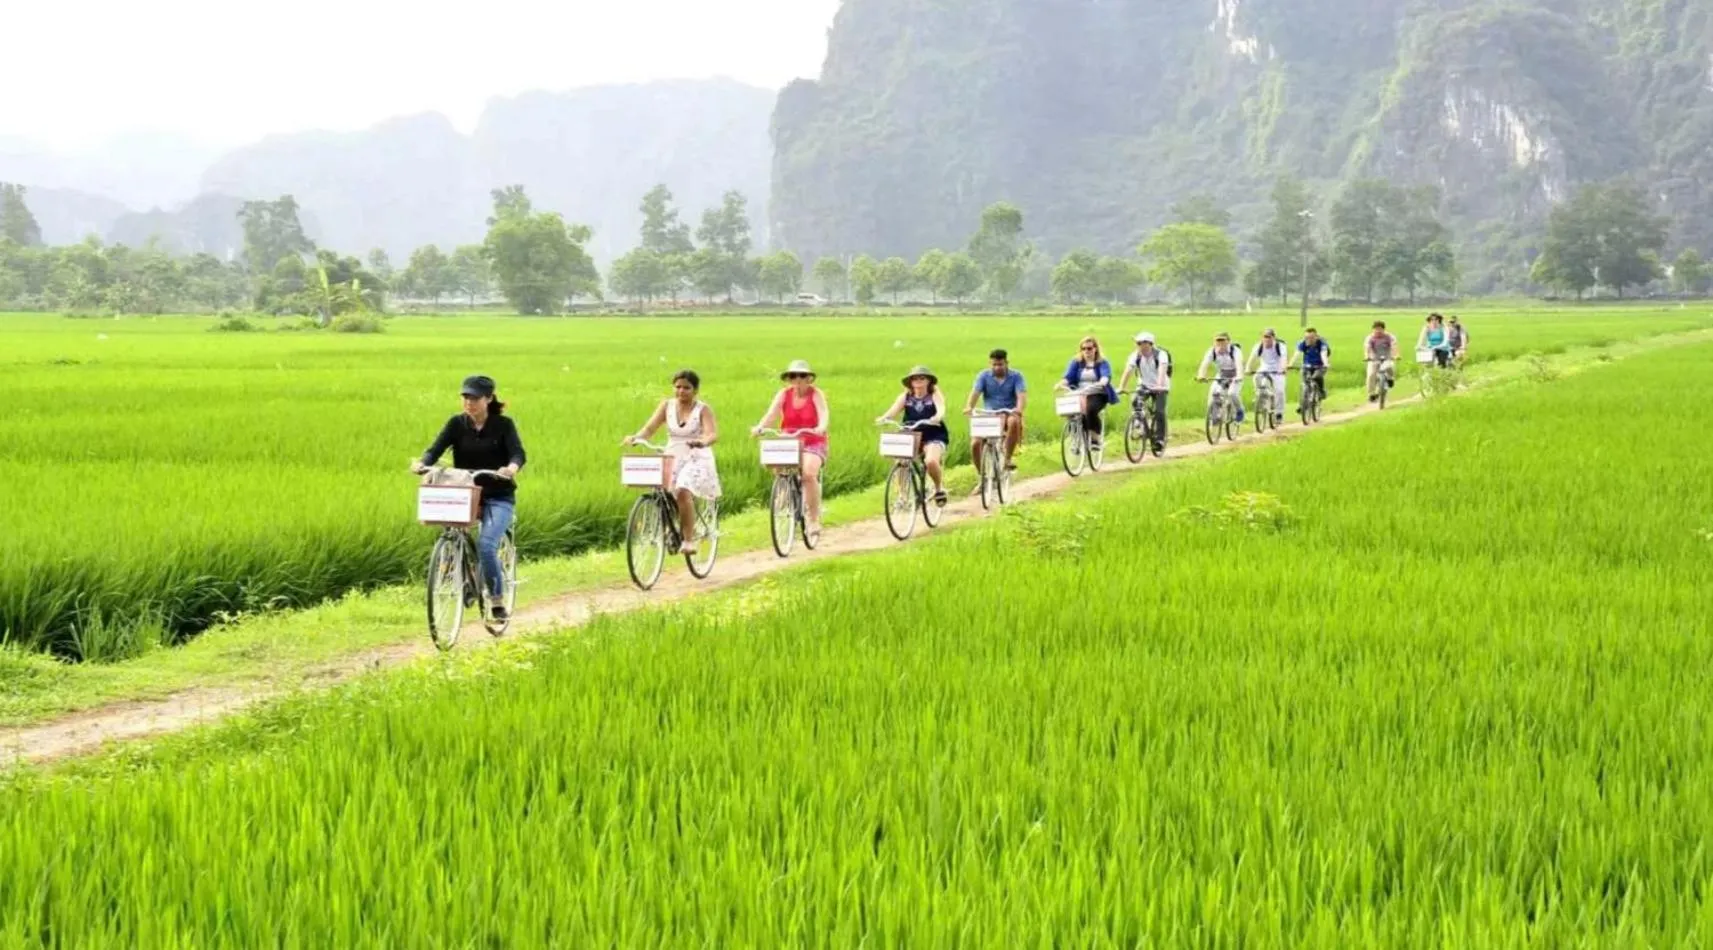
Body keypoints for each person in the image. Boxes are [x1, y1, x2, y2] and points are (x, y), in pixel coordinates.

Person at [411, 374, 526, 621]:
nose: (469, 402)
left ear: (488, 399)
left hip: (498, 496)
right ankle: (462, 573)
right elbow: (435, 449)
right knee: (452, 531)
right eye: (465, 397)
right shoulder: (456, 424)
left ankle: (496, 600)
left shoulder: (504, 425)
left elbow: (518, 454)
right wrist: (422, 463)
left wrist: (511, 469)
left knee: (486, 545)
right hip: (465, 493)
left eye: (474, 398)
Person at [623, 369, 721, 554]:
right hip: (673, 454)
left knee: (683, 490)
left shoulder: (703, 409)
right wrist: (636, 438)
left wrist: (702, 442)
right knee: (663, 488)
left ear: (695, 390)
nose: (681, 391)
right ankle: (672, 525)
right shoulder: (666, 406)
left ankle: (689, 539)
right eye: (678, 387)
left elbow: (712, 434)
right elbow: (650, 428)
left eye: (687, 388)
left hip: (696, 455)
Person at [752, 359, 830, 538]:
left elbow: (824, 413)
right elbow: (771, 414)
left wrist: (821, 427)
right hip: (789, 440)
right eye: (794, 376)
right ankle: (785, 489)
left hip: (812, 440)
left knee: (809, 474)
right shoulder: (783, 394)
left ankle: (813, 518)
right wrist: (760, 427)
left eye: (802, 375)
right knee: (776, 464)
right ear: (789, 378)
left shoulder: (816, 394)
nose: (798, 379)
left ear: (809, 378)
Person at [876, 365, 949, 506]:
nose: (918, 381)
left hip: (932, 433)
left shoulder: (934, 394)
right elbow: (893, 410)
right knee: (901, 461)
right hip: (911, 433)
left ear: (928, 381)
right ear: (910, 381)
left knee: (931, 461)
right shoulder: (905, 397)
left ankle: (939, 488)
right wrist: (884, 418)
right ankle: (902, 496)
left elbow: (941, 408)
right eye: (915, 378)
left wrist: (936, 417)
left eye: (922, 378)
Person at [964, 347, 1028, 476]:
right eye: (994, 364)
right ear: (990, 364)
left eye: (1000, 364)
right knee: (976, 443)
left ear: (1006, 363)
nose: (997, 367)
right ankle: (982, 476)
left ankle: (1008, 458)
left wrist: (1019, 409)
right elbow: (975, 393)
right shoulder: (983, 376)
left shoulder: (1016, 376)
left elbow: (1021, 395)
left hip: (1009, 412)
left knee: (1014, 422)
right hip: (990, 415)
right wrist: (969, 407)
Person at [1056, 335, 1117, 451]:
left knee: (1090, 410)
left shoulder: (1102, 362)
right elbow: (1068, 377)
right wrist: (1061, 384)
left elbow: (1105, 376)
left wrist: (1103, 381)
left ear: (1095, 349)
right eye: (1083, 348)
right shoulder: (1076, 362)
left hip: (1097, 393)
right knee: (1069, 411)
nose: (1086, 351)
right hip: (1079, 392)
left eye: (1089, 348)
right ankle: (1076, 438)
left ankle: (1095, 438)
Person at [1115, 331, 1171, 451]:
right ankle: (1138, 422)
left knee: (1159, 411)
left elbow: (1162, 369)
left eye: (1144, 343)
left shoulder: (1161, 354)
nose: (1141, 346)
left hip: (1160, 386)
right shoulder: (1135, 355)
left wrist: (1159, 385)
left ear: (1151, 344)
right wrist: (1121, 387)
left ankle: (1160, 439)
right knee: (1135, 400)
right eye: (1139, 344)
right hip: (1144, 384)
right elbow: (1128, 371)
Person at [1194, 332, 1246, 423]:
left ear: (1228, 342)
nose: (1220, 343)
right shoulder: (1212, 351)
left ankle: (1239, 410)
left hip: (1235, 374)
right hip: (1221, 374)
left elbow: (1239, 364)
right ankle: (1214, 417)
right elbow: (1205, 364)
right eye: (1218, 341)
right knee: (1214, 393)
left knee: (1232, 393)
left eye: (1223, 340)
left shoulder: (1235, 351)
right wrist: (1201, 375)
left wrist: (1239, 376)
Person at [1246, 327, 1289, 425]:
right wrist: (1248, 368)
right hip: (1264, 368)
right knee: (1256, 377)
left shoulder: (1280, 346)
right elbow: (1251, 358)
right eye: (1265, 337)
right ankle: (1260, 394)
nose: (1266, 339)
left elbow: (1283, 358)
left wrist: (1283, 368)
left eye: (1269, 337)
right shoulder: (1258, 346)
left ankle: (1279, 413)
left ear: (1273, 337)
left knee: (1280, 391)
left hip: (1277, 370)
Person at [1287, 326, 1333, 405]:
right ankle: (1302, 405)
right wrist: (1290, 364)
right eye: (1306, 337)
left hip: (1320, 366)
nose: (1308, 339)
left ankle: (1321, 391)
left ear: (1316, 337)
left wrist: (1325, 364)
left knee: (1316, 377)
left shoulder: (1321, 344)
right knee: (1305, 383)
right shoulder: (1302, 343)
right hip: (1307, 366)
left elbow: (1323, 354)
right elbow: (1296, 354)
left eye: (1311, 337)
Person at [1364, 320, 1400, 400]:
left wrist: (1396, 355)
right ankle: (1372, 393)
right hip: (1374, 358)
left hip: (1387, 357)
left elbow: (1394, 346)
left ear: (1383, 329)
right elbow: (1367, 348)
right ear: (1373, 329)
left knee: (1390, 367)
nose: (1378, 331)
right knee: (1371, 374)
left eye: (1380, 329)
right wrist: (1367, 356)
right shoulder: (1370, 338)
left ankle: (1390, 378)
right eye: (1376, 329)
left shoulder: (1390, 336)